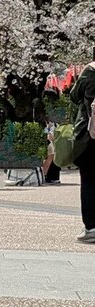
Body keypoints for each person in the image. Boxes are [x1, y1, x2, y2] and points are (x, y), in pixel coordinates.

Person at [69, 60, 95, 243]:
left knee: (90, 180)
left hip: (90, 137)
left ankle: (92, 227)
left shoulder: (91, 70)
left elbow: (74, 95)